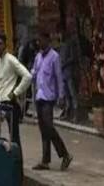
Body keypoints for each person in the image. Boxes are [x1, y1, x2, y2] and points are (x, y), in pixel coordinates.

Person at [32, 33, 72, 171]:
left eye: (41, 40)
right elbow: (34, 73)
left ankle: (65, 154)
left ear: (48, 40)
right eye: (38, 40)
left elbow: (59, 77)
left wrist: (61, 96)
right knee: (43, 130)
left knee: (49, 127)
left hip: (49, 98)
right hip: (39, 96)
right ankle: (45, 161)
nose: (39, 42)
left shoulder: (54, 56)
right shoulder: (38, 57)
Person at [0, 33, 32, 147]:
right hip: (0, 104)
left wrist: (15, 93)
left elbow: (27, 76)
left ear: (5, 45)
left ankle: (17, 163)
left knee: (14, 137)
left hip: (11, 104)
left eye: (0, 44)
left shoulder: (11, 60)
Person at [59, 33, 79, 121]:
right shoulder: (61, 46)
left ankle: (76, 114)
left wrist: (64, 64)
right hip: (63, 74)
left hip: (70, 72)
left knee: (73, 93)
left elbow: (73, 57)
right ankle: (68, 112)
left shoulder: (70, 44)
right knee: (66, 94)